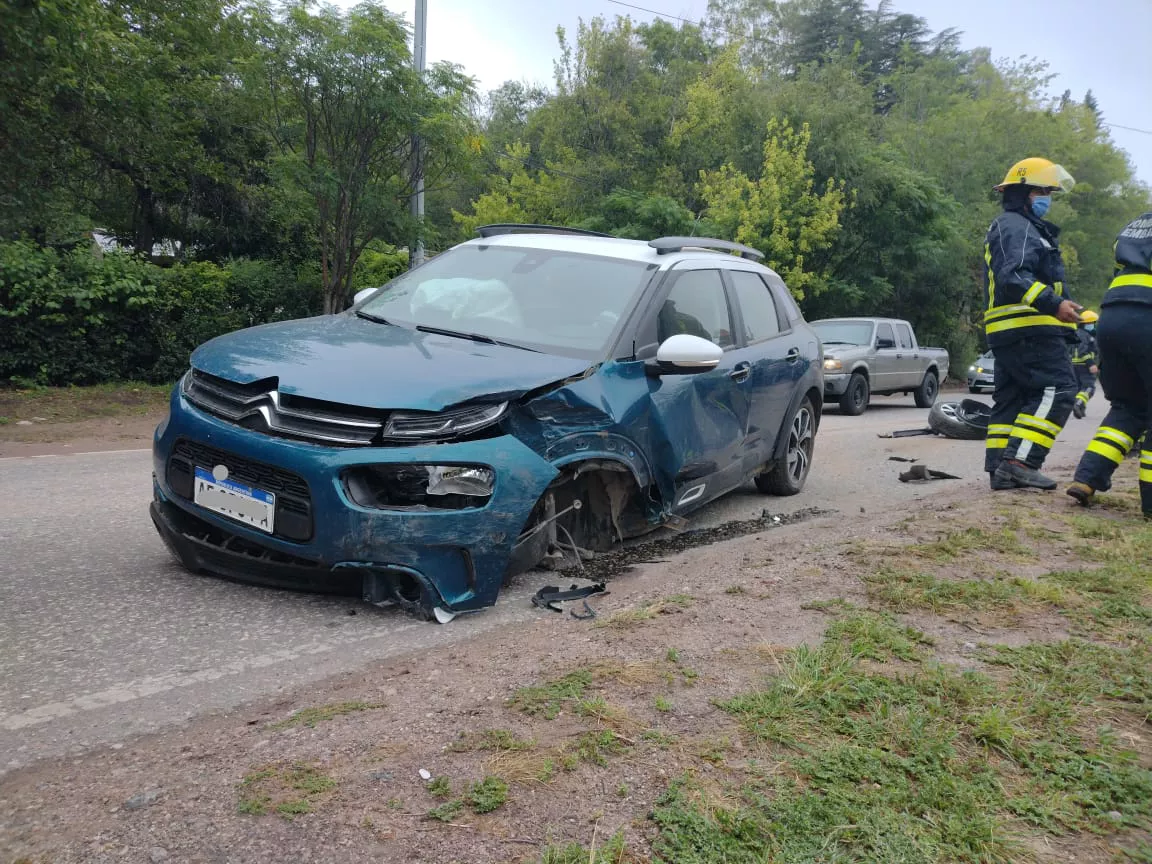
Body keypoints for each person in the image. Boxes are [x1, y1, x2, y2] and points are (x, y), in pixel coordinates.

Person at [982, 157, 1082, 491]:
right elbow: (1014, 276)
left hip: (1011, 329)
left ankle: (1000, 468)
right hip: (1028, 328)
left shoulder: (1018, 226)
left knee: (1012, 399)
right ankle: (1019, 463)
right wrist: (1055, 305)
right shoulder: (1017, 227)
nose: (1048, 197)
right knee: (1060, 389)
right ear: (1024, 193)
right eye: (1043, 190)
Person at [1066, 211, 1152, 516]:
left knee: (1128, 407)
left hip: (1112, 316)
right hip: (1148, 315)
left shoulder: (1136, 225)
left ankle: (1087, 479)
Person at [1070, 309, 1099, 419]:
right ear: (1087, 324)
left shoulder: (1077, 333)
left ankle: (1080, 409)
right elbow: (1083, 351)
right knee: (1089, 388)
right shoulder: (1085, 335)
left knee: (1079, 388)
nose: (1094, 326)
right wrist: (1091, 363)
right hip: (1084, 366)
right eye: (1092, 323)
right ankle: (1079, 404)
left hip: (1074, 365)